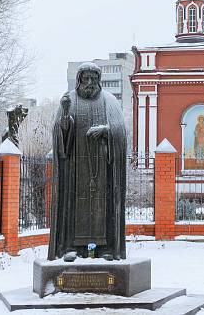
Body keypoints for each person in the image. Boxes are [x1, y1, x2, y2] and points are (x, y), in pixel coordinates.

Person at [48, 63, 128, 261]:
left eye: (94, 78)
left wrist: (106, 131)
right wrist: (66, 114)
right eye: (86, 79)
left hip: (103, 166)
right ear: (79, 80)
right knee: (74, 205)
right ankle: (71, 247)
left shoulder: (109, 101)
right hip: (76, 167)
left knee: (103, 206)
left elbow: (120, 130)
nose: (90, 83)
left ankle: (106, 248)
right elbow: (60, 133)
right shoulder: (70, 100)